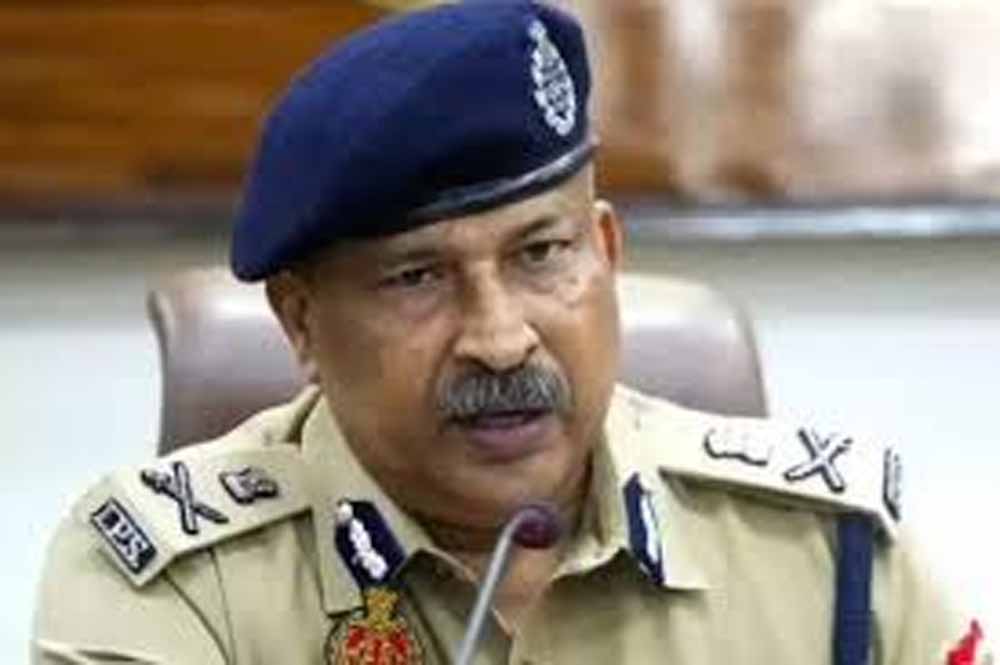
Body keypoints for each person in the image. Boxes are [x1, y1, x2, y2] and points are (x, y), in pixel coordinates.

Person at [32, 2, 991, 664]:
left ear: (605, 253)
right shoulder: (171, 583)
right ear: (302, 321)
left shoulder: (831, 553)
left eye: (541, 254)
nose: (499, 340)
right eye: (417, 277)